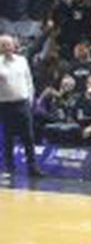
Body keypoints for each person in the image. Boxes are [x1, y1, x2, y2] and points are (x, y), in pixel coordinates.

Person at [0, 35, 40, 178]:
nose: (6, 48)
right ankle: (9, 168)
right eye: (2, 45)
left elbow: (29, 81)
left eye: (8, 44)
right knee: (8, 138)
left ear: (13, 46)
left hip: (22, 103)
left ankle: (33, 168)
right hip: (5, 105)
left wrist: (30, 100)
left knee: (28, 137)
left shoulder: (22, 61)